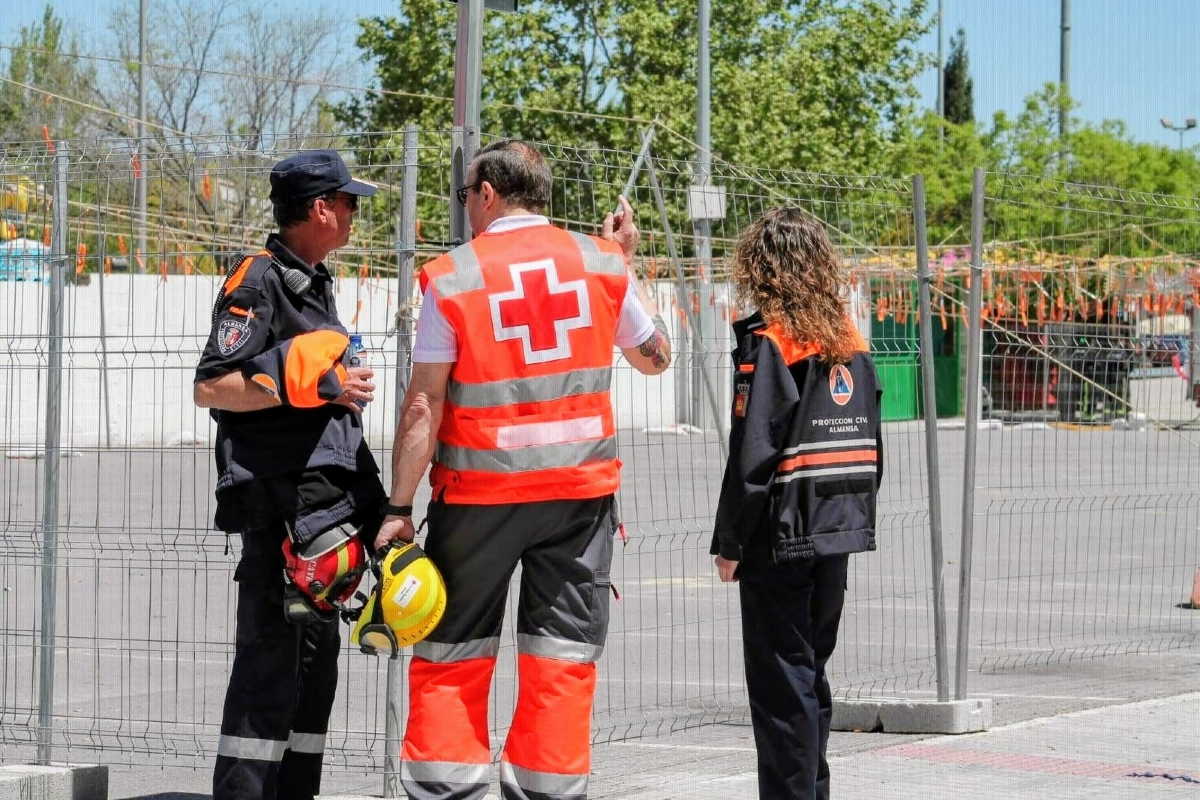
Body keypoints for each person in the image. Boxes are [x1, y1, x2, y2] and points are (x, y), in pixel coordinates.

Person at [374, 138, 672, 800]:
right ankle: (548, 789)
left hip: (479, 496)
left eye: (465, 197)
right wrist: (624, 265)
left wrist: (397, 509)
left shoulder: (454, 276)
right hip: (579, 499)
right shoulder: (600, 264)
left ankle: (447, 788)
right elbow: (657, 358)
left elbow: (424, 403)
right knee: (561, 656)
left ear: (486, 194)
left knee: (452, 650)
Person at [193, 149, 386, 800]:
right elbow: (214, 387)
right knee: (267, 678)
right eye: (350, 201)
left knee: (314, 678)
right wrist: (311, 383)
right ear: (321, 208)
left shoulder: (317, 282)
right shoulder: (259, 279)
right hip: (277, 515)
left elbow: (330, 415)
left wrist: (380, 510)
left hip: (323, 524)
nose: (357, 213)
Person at [710, 207, 883, 800]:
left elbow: (753, 456)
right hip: (838, 526)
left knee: (782, 688)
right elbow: (872, 439)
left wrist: (730, 543)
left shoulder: (773, 341)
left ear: (763, 266)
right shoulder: (848, 337)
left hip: (780, 537)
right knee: (810, 677)